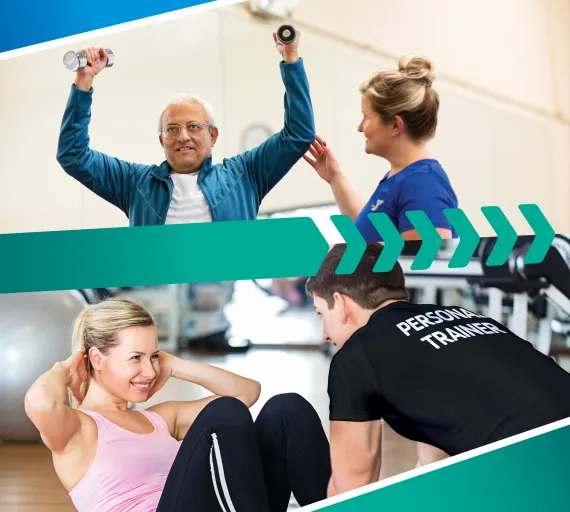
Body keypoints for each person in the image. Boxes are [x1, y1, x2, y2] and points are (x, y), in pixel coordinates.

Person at [305, 243, 570, 497]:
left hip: (540, 484)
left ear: (339, 303)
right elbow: (439, 440)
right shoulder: (463, 315)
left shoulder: (357, 355)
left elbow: (350, 494)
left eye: (320, 314)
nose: (325, 335)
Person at [24, 298, 331, 511]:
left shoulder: (161, 418)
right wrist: (65, 369)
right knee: (221, 412)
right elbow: (39, 405)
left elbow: (247, 393)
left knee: (286, 410)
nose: (150, 371)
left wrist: (175, 365)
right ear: (96, 359)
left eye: (154, 356)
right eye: (136, 358)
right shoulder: (78, 429)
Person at [56, 31, 315, 227]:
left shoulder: (245, 174)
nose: (182, 136)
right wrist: (84, 80)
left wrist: (291, 60)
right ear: (161, 140)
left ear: (213, 135)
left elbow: (298, 135)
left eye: (193, 127)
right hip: (159, 296)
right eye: (171, 129)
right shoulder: (134, 183)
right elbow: (73, 156)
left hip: (223, 292)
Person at [303, 56, 458, 242]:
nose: (360, 127)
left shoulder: (422, 183)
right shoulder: (401, 178)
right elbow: (371, 236)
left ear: (395, 125)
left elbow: (426, 265)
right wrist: (335, 179)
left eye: (366, 118)